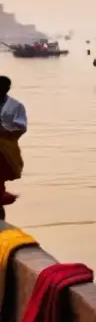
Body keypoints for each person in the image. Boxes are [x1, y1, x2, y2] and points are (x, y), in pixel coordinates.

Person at [0, 76, 27, 219]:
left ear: (7, 88)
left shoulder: (16, 106)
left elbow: (21, 127)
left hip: (6, 147)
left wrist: (6, 131)